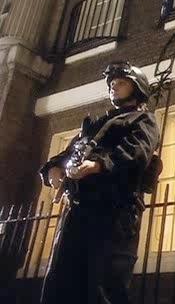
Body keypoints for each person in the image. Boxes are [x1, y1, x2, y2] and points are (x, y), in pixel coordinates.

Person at [39, 61, 160, 304]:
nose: (113, 87)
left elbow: (137, 152)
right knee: (61, 281)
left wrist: (98, 165)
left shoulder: (143, 120)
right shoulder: (96, 125)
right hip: (78, 211)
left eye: (121, 83)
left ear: (136, 87)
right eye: (111, 84)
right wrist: (53, 168)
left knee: (104, 285)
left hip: (114, 213)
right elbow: (70, 152)